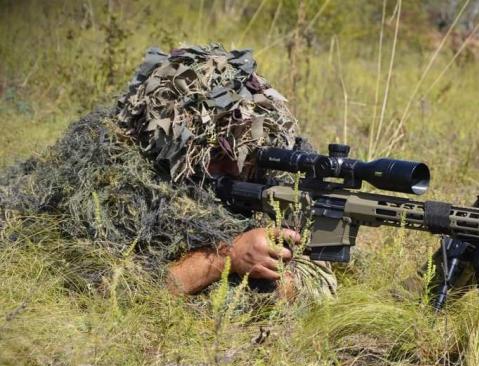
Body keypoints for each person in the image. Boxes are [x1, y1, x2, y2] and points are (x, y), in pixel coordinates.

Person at [0, 44, 336, 302]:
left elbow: (312, 282)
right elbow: (110, 290)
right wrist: (225, 258)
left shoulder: (262, 175)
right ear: (174, 147)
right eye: (219, 153)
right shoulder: (116, 179)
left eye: (247, 155)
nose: (238, 168)